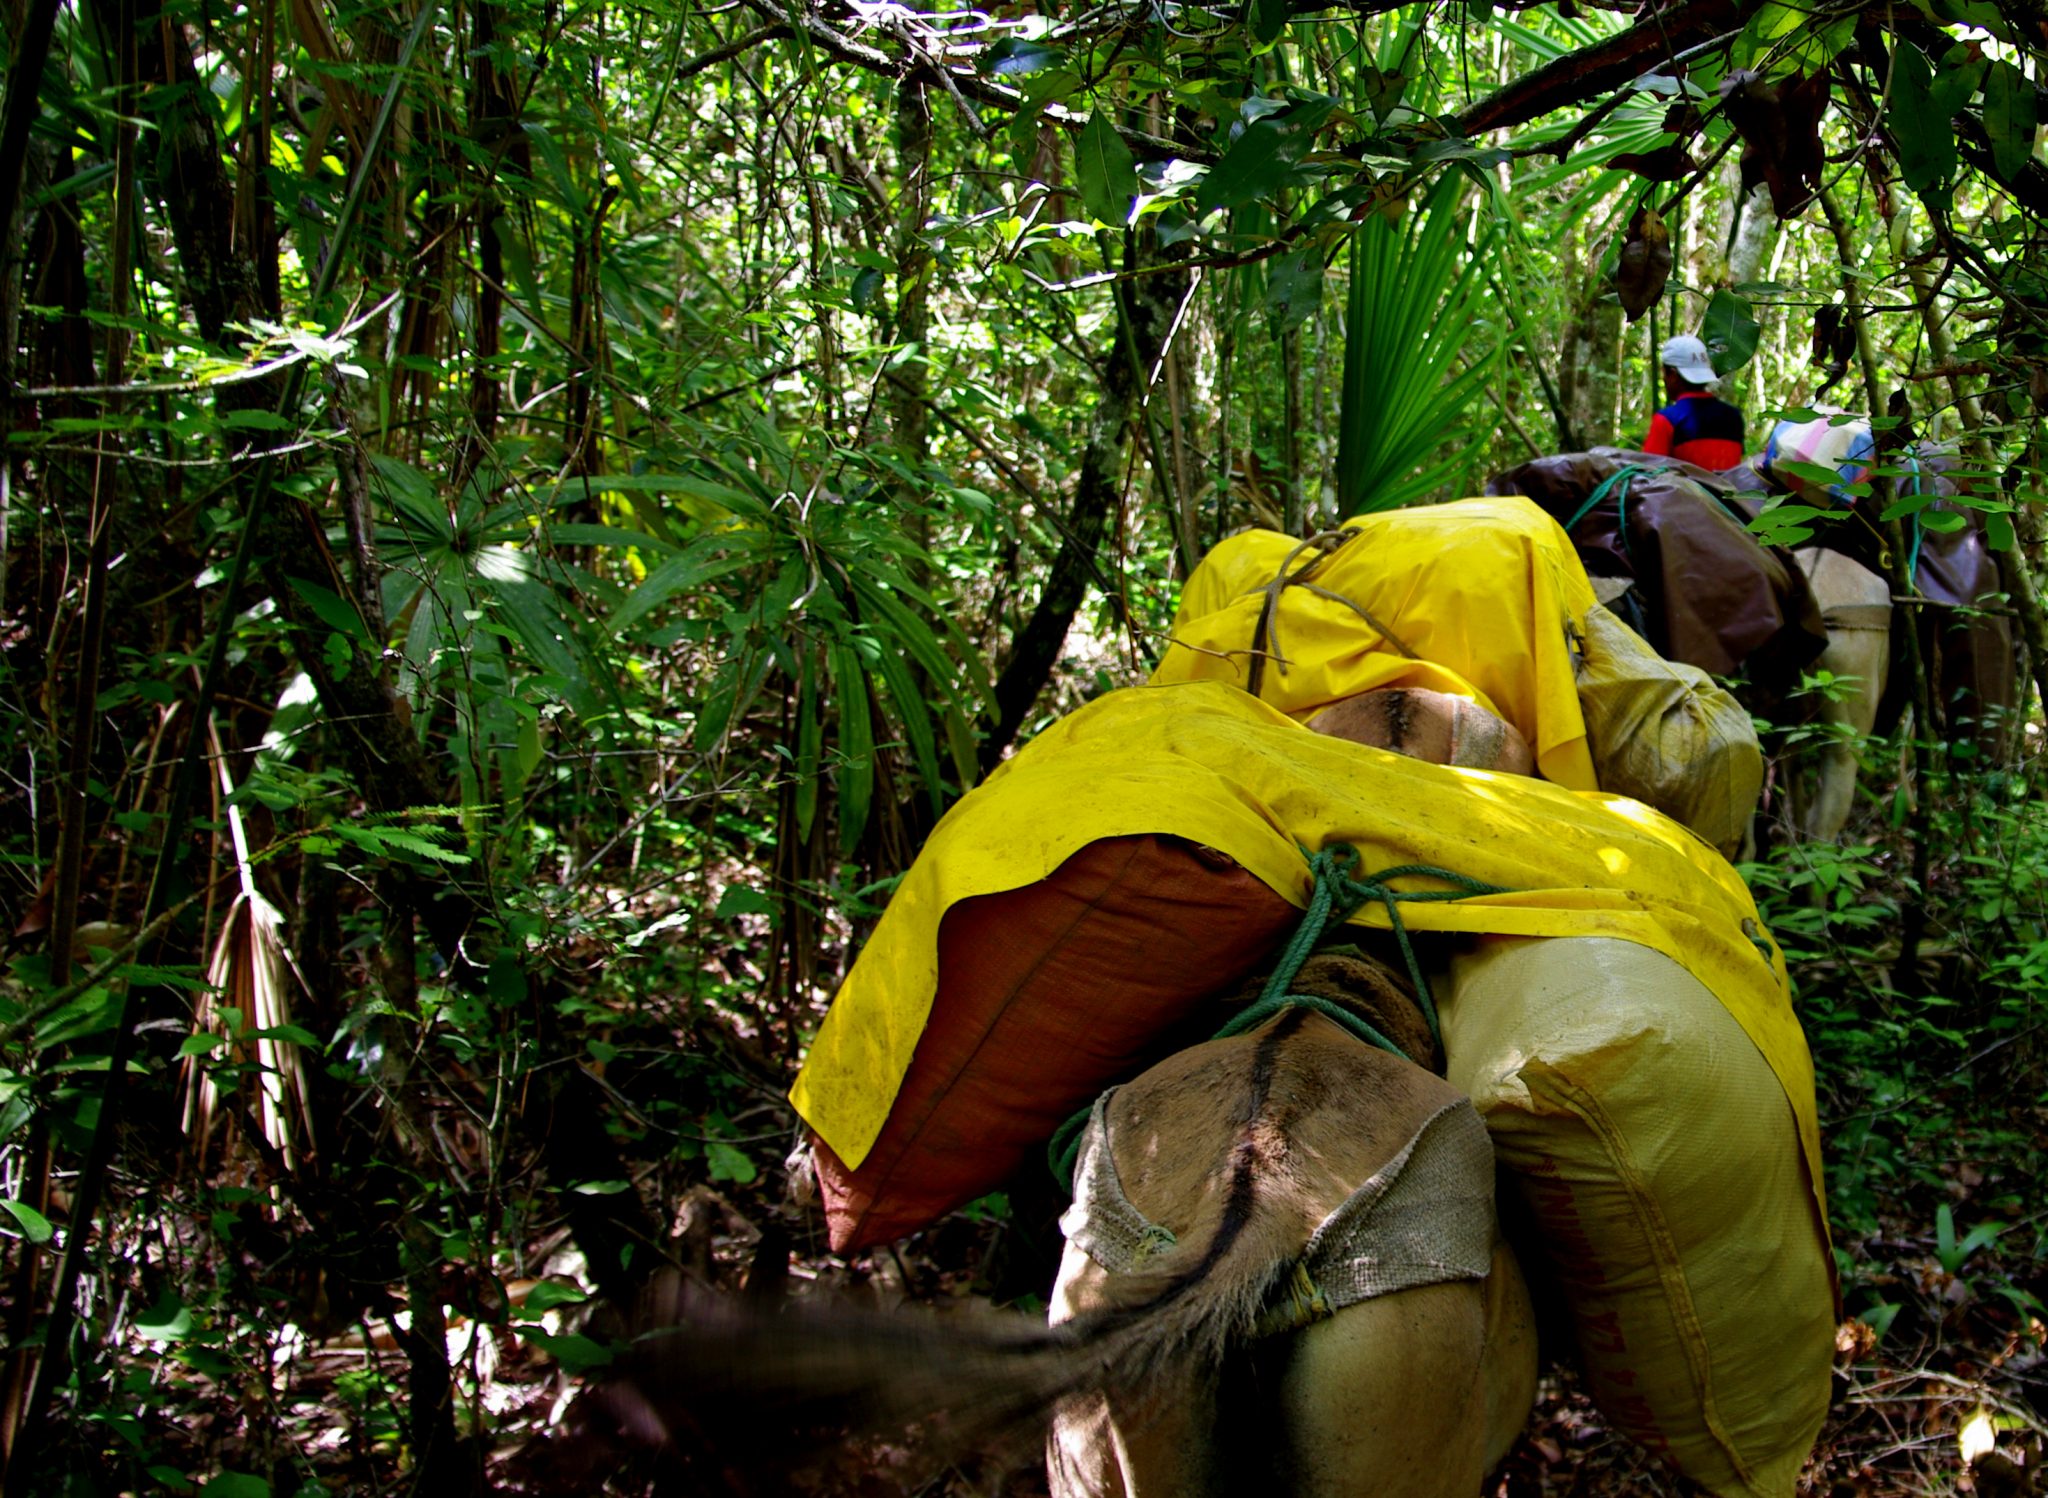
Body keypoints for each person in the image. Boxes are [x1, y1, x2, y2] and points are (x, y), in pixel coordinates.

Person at [1640, 334, 1745, 470]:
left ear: (1672, 374)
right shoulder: (1734, 417)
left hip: (1684, 492)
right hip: (1731, 491)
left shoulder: (1667, 420)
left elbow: (1649, 474)